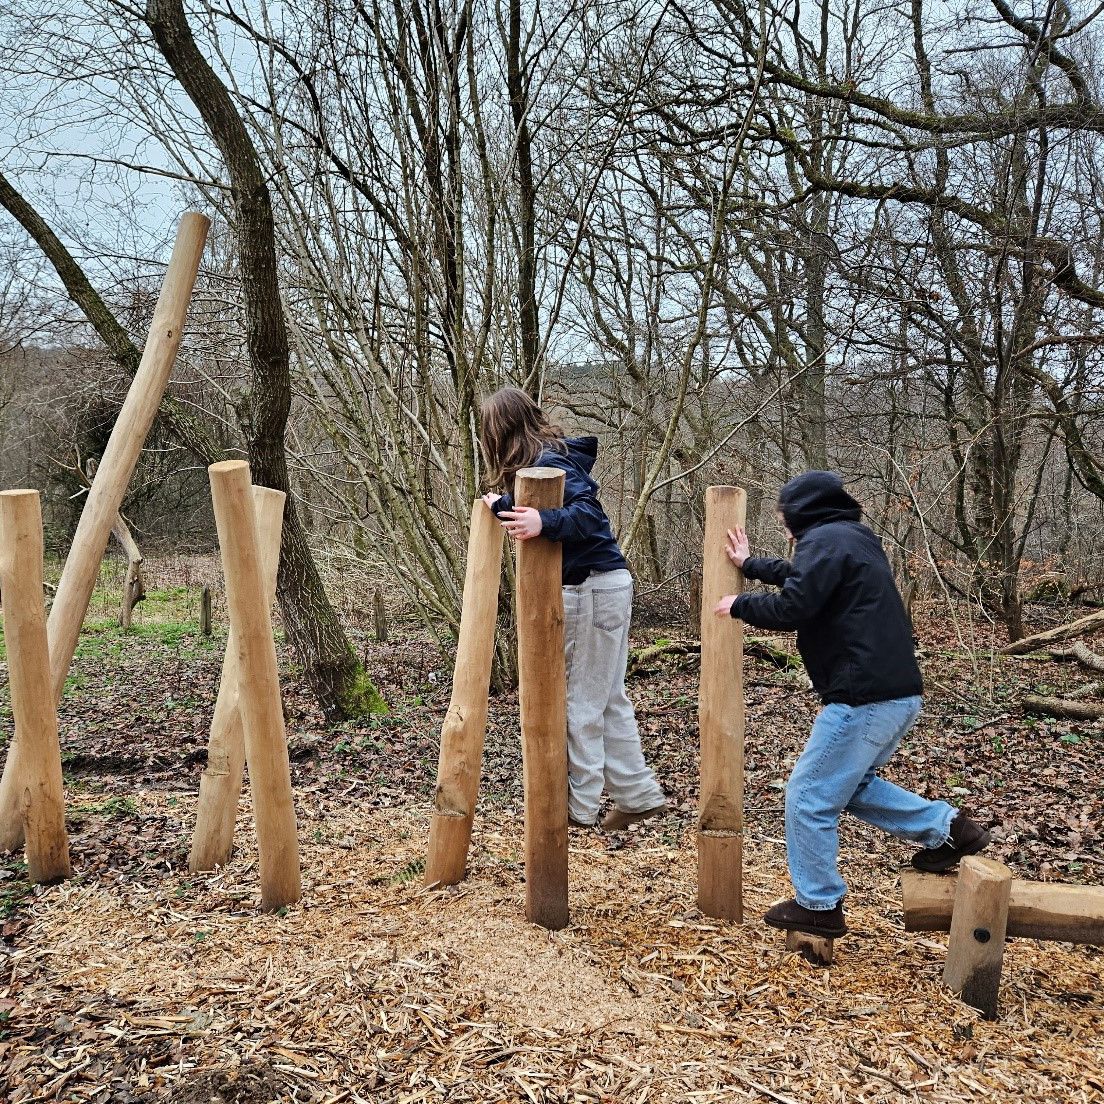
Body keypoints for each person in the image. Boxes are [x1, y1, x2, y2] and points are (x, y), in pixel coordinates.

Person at [714, 470, 990, 938]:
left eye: (785, 517)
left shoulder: (822, 542)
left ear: (803, 513)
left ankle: (818, 905)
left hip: (862, 697)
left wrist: (738, 605)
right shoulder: (854, 540)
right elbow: (807, 580)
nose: (785, 527)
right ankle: (949, 830)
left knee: (808, 796)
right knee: (850, 786)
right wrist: (751, 564)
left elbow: (795, 606)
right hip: (897, 693)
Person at [479, 386, 667, 830]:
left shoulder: (551, 463)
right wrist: (508, 507)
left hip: (592, 589)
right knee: (607, 699)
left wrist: (542, 521)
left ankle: (578, 809)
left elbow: (589, 517)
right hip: (605, 585)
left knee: (579, 700)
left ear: (500, 431)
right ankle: (637, 794)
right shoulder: (546, 461)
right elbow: (550, 508)